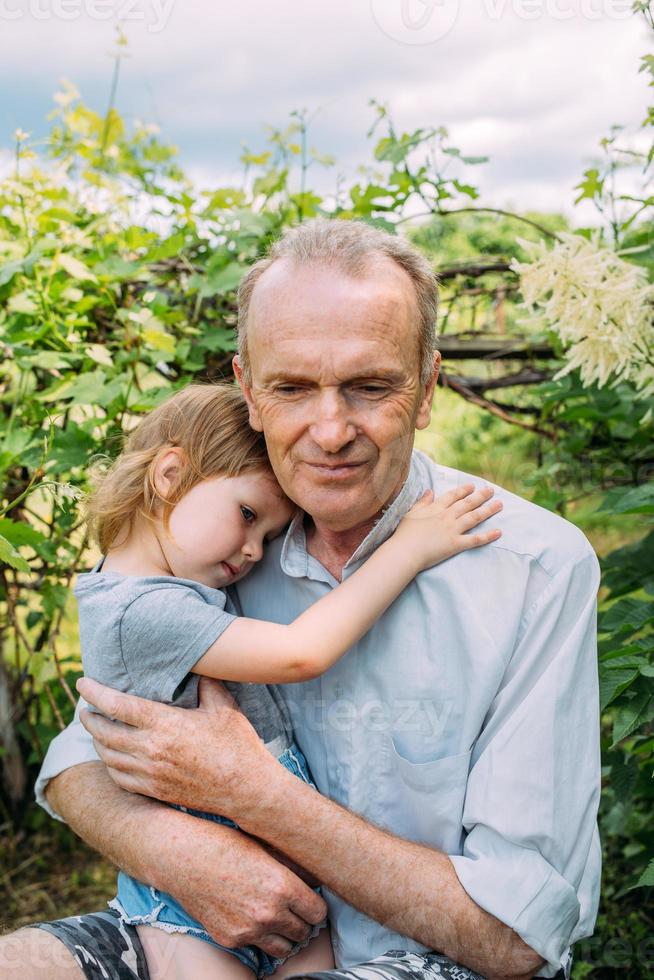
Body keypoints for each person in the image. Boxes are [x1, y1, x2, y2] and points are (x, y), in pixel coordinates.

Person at [0, 218, 601, 980]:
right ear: (248, 391)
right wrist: (176, 851)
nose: (330, 430)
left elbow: (515, 939)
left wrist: (256, 797)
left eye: (370, 385)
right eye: (291, 387)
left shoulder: (534, 567)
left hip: (434, 958)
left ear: (427, 390)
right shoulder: (218, 546)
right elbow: (79, 756)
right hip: (214, 927)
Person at [72, 379, 502, 980]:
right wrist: (408, 549)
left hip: (278, 876)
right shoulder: (139, 611)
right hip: (194, 903)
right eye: (247, 516)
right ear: (169, 475)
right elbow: (302, 652)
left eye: (269, 536)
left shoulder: (164, 587)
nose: (253, 552)